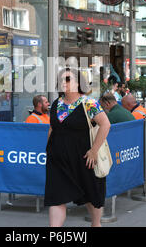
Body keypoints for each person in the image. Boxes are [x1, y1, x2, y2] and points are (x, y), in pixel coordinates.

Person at [45, 67, 110, 227]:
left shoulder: (89, 103)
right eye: (61, 80)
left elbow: (105, 125)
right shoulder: (56, 104)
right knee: (56, 197)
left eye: (68, 79)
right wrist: (49, 149)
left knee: (91, 195)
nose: (63, 83)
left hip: (84, 157)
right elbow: (53, 128)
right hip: (58, 161)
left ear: (78, 83)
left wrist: (94, 150)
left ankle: (96, 224)